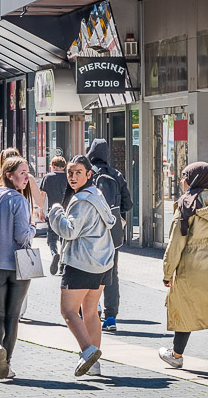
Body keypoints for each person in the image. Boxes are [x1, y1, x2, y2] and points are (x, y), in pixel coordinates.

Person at [157, 161, 208, 377]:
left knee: (184, 307)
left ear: (193, 179)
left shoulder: (187, 203)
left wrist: (167, 272)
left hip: (194, 266)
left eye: (184, 176)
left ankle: (176, 355)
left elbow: (176, 242)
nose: (182, 180)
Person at [47, 154, 115, 378]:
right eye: (70, 172)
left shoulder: (81, 200)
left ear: (89, 174)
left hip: (81, 263)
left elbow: (69, 231)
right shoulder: (97, 194)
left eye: (78, 172)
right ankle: (94, 366)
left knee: (68, 311)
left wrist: (55, 212)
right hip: (102, 262)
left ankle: (88, 351)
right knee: (91, 313)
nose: (73, 177)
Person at [0, 155, 35, 381]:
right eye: (22, 173)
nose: (27, 177)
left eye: (27, 172)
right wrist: (32, 229)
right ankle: (7, 363)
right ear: (9, 176)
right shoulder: (19, 201)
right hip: (17, 264)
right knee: (12, 316)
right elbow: (22, 236)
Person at [86, 139, 133, 331]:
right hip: (113, 232)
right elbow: (128, 204)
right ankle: (111, 317)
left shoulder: (87, 174)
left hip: (90, 231)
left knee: (88, 271)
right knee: (112, 274)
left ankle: (90, 310)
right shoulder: (116, 175)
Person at [40, 156, 70, 274]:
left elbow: (42, 196)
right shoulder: (68, 177)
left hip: (52, 212)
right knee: (64, 238)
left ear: (52, 166)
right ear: (64, 166)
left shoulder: (48, 177)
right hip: (66, 212)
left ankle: (54, 253)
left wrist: (41, 211)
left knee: (51, 237)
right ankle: (63, 264)